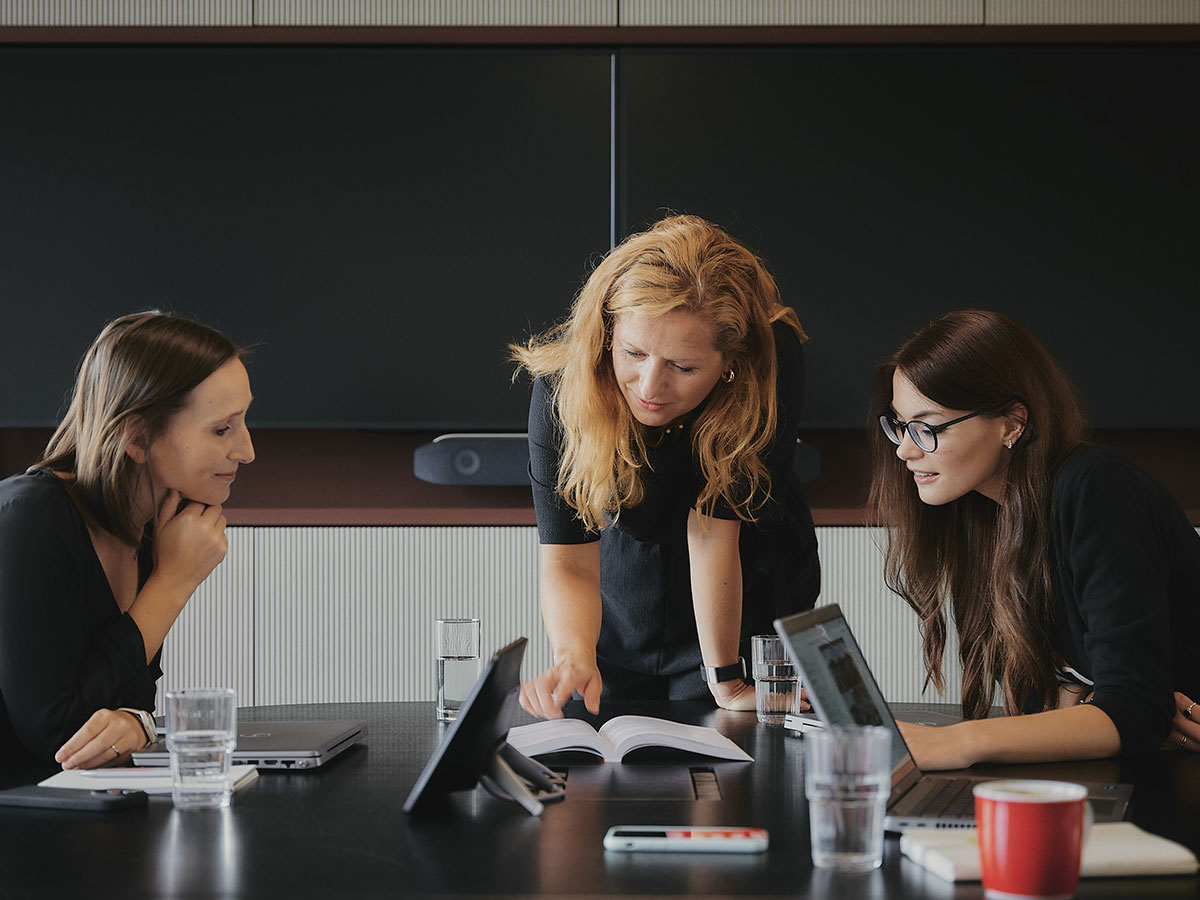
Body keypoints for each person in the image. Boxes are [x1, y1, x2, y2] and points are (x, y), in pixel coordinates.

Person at [511, 214, 820, 718]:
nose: (650, 387)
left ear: (730, 362)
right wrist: (573, 654)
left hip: (746, 571)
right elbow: (567, 555)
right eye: (633, 353)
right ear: (607, 333)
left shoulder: (769, 363)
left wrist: (728, 681)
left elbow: (714, 533)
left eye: (684, 367)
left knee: (744, 758)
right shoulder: (565, 387)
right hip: (625, 581)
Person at [869, 308, 1200, 770]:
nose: (904, 448)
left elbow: (1134, 709)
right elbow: (1042, 699)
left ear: (1011, 423)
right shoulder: (987, 512)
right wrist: (1088, 706)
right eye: (901, 426)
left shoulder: (1097, 488)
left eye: (928, 428)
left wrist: (954, 743)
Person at [0, 312, 254, 769]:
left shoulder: (152, 524)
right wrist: (173, 582)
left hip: (87, 810)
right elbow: (58, 736)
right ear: (136, 437)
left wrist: (138, 723)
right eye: (222, 429)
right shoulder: (31, 516)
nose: (247, 450)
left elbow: (129, 703)